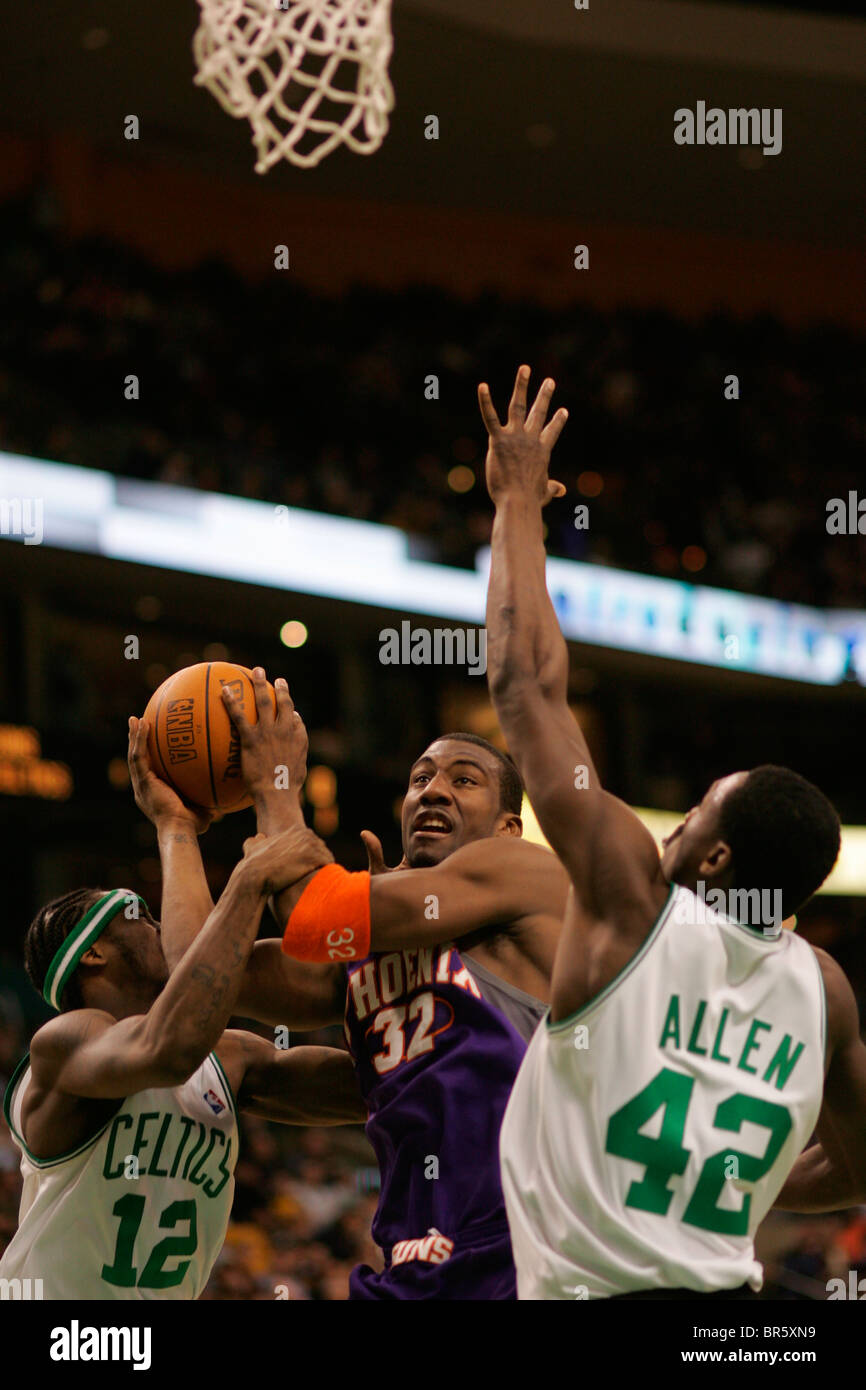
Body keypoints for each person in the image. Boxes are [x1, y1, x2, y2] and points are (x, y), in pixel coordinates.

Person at [477, 364, 863, 1299]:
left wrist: (518, 500)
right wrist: (737, 1192)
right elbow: (859, 1167)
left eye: (695, 813)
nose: (674, 826)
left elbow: (525, 685)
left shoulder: (630, 902)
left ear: (714, 855)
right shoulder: (825, 989)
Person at [133, 678, 569, 1299]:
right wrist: (176, 827)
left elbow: (315, 912)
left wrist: (277, 783)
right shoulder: (364, 957)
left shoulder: (523, 871)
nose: (434, 790)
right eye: (420, 779)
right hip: (412, 1264)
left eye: (463, 779)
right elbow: (198, 970)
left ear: (507, 827)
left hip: (526, 1255)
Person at [0, 820, 365, 1300]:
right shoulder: (64, 1044)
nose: (163, 926)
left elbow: (373, 1088)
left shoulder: (227, 1058)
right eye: (142, 917)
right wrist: (247, 884)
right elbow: (169, 1049)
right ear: (92, 952)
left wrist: (389, 969)